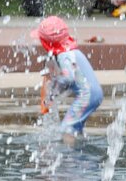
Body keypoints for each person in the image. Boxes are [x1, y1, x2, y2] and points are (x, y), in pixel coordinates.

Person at [33, 16, 104, 146]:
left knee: (67, 129)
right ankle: (81, 152)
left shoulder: (64, 55)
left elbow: (68, 77)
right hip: (94, 94)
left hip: (86, 96)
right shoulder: (71, 51)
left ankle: (70, 160)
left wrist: (54, 91)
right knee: (75, 126)